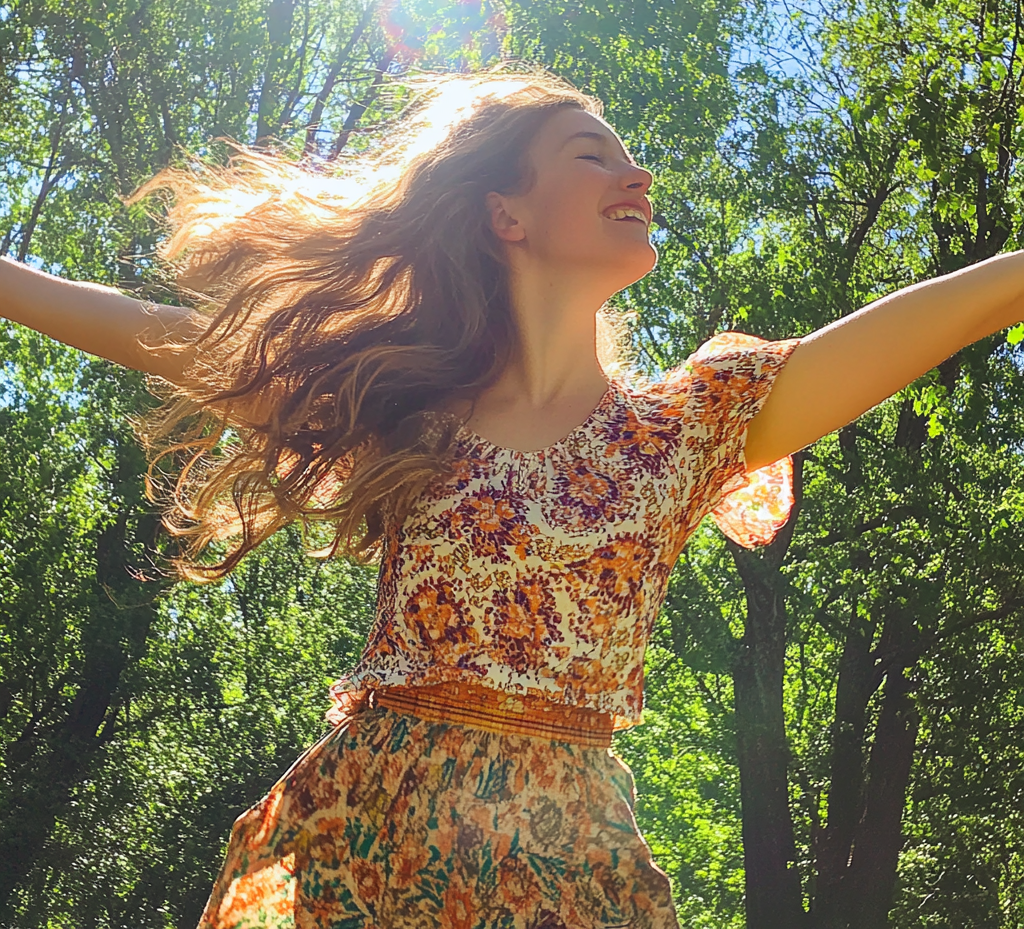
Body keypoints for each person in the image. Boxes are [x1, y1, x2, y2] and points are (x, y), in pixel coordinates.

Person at [1, 68, 1021, 929]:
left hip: (572, 863)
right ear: (506, 213)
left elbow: (959, 306)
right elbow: (186, 342)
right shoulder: (408, 407)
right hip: (367, 834)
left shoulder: (689, 426)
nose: (639, 173)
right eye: (592, 154)